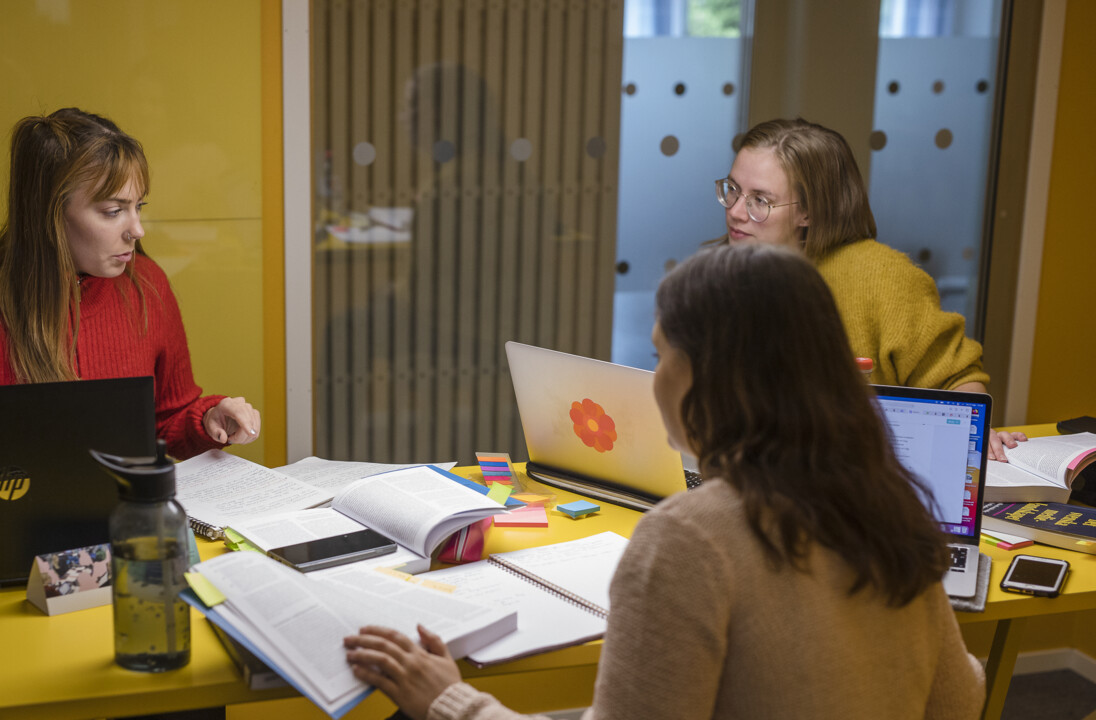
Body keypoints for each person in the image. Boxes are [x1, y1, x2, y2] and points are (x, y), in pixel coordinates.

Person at [343, 244, 985, 720]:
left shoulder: (688, 540)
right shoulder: (887, 504)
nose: (652, 379)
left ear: (708, 378)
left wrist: (446, 699)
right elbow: (961, 699)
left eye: (659, 356)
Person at [0, 108, 259, 460]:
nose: (137, 230)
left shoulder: (148, 284)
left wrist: (208, 419)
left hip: (127, 515)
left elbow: (166, 422)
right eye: (113, 211)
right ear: (49, 214)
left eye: (138, 207)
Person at [714, 116, 1023, 460]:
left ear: (809, 212)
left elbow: (957, 381)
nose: (736, 211)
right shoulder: (716, 271)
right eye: (733, 190)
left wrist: (974, 433)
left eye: (760, 200)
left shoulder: (884, 278)